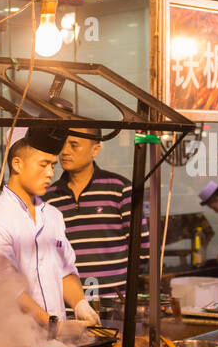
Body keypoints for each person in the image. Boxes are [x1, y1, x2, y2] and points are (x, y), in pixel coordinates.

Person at [0, 128, 100, 328]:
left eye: (53, 165)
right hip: (14, 346)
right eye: (43, 165)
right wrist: (52, 326)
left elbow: (65, 271)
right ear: (17, 165)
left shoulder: (53, 216)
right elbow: (6, 287)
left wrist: (80, 304)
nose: (50, 173)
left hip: (56, 344)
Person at [44, 127, 146, 301]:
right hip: (69, 307)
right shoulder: (49, 198)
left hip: (115, 306)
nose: (65, 151)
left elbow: (143, 251)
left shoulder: (120, 189)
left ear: (95, 149)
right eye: (63, 144)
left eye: (74, 145)